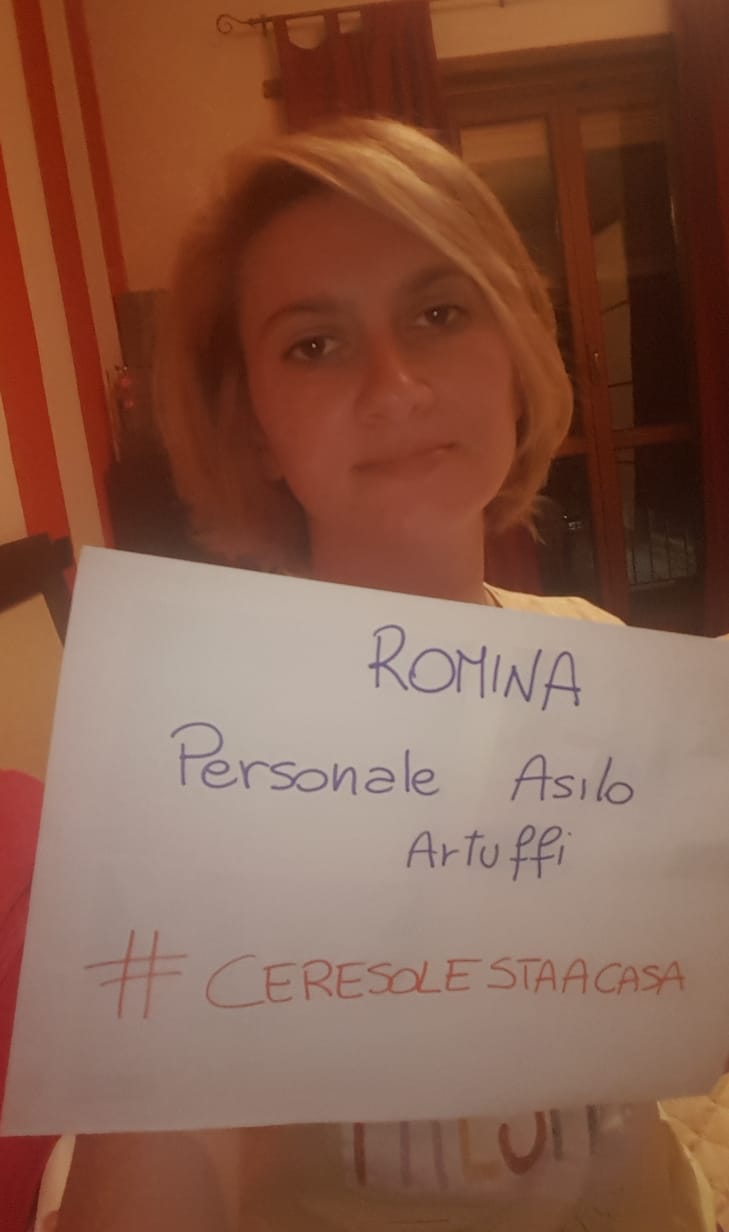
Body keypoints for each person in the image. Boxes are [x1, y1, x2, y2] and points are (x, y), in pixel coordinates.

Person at [56, 117, 717, 1230]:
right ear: (253, 425)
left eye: (440, 313)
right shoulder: (192, 743)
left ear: (513, 354)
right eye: (314, 344)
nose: (396, 383)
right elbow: (164, 1153)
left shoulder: (605, 663)